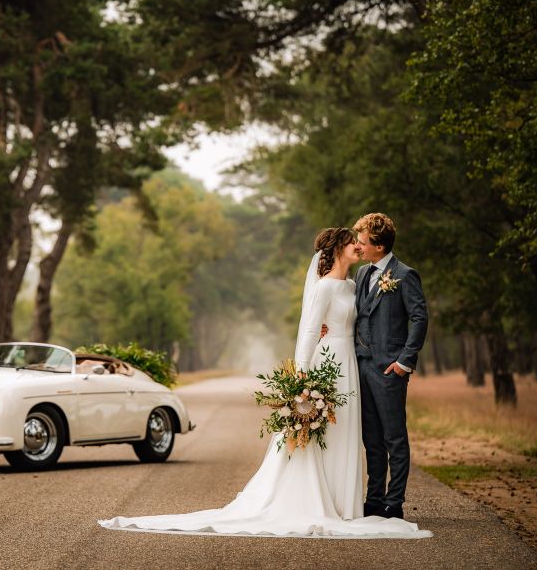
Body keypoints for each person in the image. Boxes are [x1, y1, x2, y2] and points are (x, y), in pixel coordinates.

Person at [98, 227, 431, 538]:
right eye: (351, 242)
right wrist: (302, 374)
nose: (357, 246)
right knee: (325, 433)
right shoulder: (326, 286)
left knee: (345, 430)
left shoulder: (353, 284)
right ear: (337, 249)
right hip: (329, 362)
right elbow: (310, 330)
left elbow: (368, 321)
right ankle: (320, 501)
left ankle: (346, 504)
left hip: (350, 365)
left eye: (361, 241)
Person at [352, 213, 428, 520]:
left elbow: (419, 318)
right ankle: (374, 499)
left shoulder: (405, 275)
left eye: (362, 242)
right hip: (361, 366)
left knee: (393, 438)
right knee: (371, 438)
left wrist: (404, 361)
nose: (357, 246)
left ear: (379, 246)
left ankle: (394, 502)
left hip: (389, 369)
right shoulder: (361, 274)